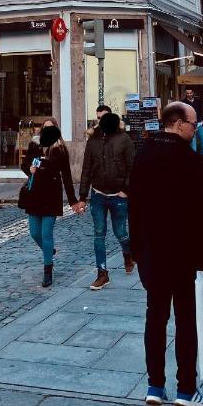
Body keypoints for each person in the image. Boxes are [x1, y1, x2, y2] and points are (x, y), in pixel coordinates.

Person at [129, 101, 203, 406]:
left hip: (152, 255)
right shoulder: (191, 161)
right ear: (178, 124)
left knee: (155, 317)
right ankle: (186, 389)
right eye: (193, 125)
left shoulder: (143, 156)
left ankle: (154, 386)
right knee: (186, 321)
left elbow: (133, 208)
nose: (195, 129)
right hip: (183, 255)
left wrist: (136, 250)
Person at [78, 112, 136, 290]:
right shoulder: (92, 142)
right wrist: (82, 197)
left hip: (118, 195)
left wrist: (126, 190)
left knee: (120, 232)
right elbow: (86, 169)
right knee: (99, 233)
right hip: (98, 195)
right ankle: (102, 273)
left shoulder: (124, 140)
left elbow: (132, 167)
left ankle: (128, 252)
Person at [21, 124, 81, 287]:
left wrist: (73, 201)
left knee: (46, 233)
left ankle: (48, 269)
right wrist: (30, 169)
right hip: (34, 196)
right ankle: (50, 251)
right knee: (34, 233)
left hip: (51, 196)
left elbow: (67, 177)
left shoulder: (60, 151)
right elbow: (24, 165)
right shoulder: (35, 146)